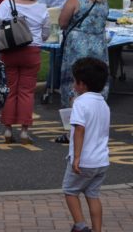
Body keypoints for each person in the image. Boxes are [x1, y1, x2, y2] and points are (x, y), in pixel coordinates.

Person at [0, 0, 50, 144]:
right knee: (26, 91)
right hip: (32, 51)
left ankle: (8, 129)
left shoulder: (6, 4)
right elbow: (46, 33)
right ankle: (25, 131)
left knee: (9, 90)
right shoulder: (41, 7)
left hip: (9, 50)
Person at [62, 57, 110, 232]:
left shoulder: (81, 103)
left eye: (75, 81)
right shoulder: (103, 104)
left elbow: (80, 130)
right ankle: (97, 229)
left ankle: (81, 226)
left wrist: (77, 157)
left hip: (85, 160)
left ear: (81, 84)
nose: (74, 85)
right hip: (101, 160)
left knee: (70, 191)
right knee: (93, 195)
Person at [58, 0, 109, 109]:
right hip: (98, 45)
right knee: (95, 80)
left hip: (78, 47)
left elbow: (62, 22)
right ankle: (95, 114)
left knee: (76, 80)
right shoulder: (103, 1)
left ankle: (73, 121)